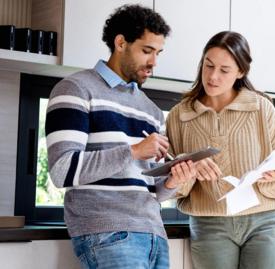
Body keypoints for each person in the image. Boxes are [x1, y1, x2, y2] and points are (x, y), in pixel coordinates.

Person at [46, 4, 196, 269]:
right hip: (108, 232)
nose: (154, 63)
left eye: (158, 53)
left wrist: (173, 180)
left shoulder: (150, 110)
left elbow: (149, 189)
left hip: (154, 234)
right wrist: (134, 151)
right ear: (120, 43)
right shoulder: (76, 88)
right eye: (146, 51)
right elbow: (62, 170)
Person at [166, 31, 275, 269]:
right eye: (208, 66)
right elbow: (171, 187)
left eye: (224, 70)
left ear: (240, 72)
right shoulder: (180, 115)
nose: (213, 76)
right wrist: (187, 168)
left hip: (264, 222)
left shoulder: (261, 108)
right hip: (210, 225)